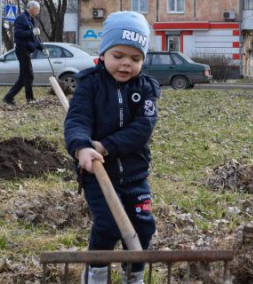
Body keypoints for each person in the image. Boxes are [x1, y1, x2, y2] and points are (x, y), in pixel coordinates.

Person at [64, 11, 160, 284]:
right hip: (97, 173)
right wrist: (82, 148)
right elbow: (77, 120)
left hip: (135, 173)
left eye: (135, 58)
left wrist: (106, 145)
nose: (126, 64)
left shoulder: (146, 89)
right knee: (107, 225)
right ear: (103, 53)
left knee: (143, 225)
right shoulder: (89, 85)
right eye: (118, 56)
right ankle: (96, 272)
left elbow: (143, 128)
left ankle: (134, 274)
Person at [3, 1, 43, 105]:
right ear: (32, 8)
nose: (38, 12)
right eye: (37, 9)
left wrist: (42, 47)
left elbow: (34, 38)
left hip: (27, 49)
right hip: (22, 49)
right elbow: (18, 33)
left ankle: (8, 97)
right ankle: (30, 99)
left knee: (23, 77)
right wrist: (31, 32)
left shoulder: (31, 20)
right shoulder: (22, 18)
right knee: (29, 75)